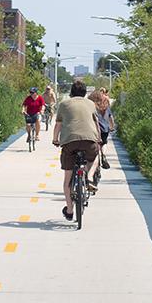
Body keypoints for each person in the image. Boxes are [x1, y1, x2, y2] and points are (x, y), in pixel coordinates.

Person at [51, 79, 100, 221]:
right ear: (85, 93)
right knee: (95, 157)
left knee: (67, 180)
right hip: (89, 140)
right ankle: (90, 176)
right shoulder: (91, 104)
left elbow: (58, 125)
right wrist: (98, 139)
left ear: (71, 92)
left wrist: (55, 139)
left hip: (69, 142)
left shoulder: (64, 104)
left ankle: (70, 210)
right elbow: (95, 123)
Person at [93, 87, 115, 169]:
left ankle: (97, 156)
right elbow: (111, 117)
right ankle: (103, 154)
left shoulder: (94, 107)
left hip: (96, 128)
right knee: (104, 143)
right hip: (105, 128)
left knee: (96, 143)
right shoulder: (107, 108)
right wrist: (112, 126)